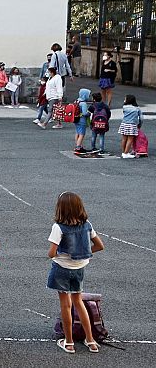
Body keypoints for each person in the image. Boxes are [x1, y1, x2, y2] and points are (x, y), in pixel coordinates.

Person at [47, 192, 104, 354]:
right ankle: (91, 340)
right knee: (78, 302)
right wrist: (84, 252)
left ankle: (69, 342)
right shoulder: (87, 224)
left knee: (66, 305)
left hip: (61, 268)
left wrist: (59, 254)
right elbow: (100, 245)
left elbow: (51, 253)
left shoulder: (58, 227)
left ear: (60, 208)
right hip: (79, 268)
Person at [73, 89, 92, 154]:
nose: (88, 96)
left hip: (76, 119)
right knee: (82, 134)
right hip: (82, 120)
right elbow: (84, 113)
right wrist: (89, 113)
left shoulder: (76, 101)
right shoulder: (83, 103)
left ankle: (78, 145)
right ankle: (78, 147)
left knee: (77, 132)